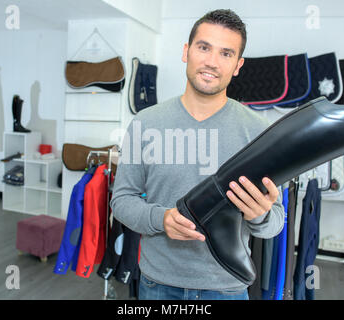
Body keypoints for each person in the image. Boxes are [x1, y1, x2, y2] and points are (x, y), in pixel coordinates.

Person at [111, 9, 285, 300]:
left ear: (238, 65)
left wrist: (261, 216)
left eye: (226, 53)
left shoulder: (259, 132)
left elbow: (275, 222)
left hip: (227, 288)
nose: (212, 62)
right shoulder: (146, 122)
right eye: (204, 47)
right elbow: (122, 201)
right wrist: (161, 218)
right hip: (157, 285)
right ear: (186, 51)